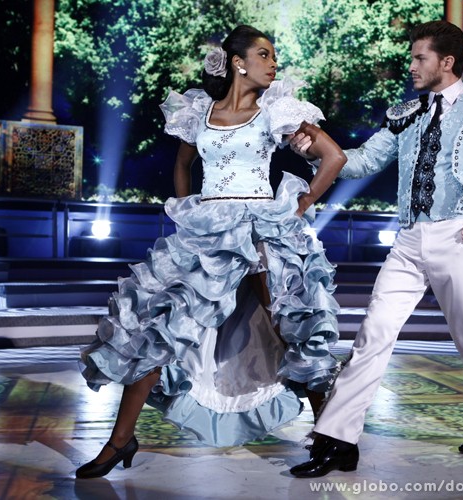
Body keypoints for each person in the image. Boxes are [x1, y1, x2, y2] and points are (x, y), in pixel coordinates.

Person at [75, 24, 346, 479]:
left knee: (290, 327)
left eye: (273, 55)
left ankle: (330, 438)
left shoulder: (275, 110)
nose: (272, 62)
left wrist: (299, 206)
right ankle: (119, 442)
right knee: (163, 328)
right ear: (239, 62)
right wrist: (188, 214)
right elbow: (184, 165)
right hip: (207, 236)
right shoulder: (197, 111)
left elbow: (333, 157)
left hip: (261, 232)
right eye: (264, 54)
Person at [288, 20, 463, 478]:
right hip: (408, 239)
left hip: (460, 236)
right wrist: (316, 152)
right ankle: (338, 440)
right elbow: (364, 162)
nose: (411, 66)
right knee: (373, 334)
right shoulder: (407, 113)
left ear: (446, 62)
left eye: (419, 58)